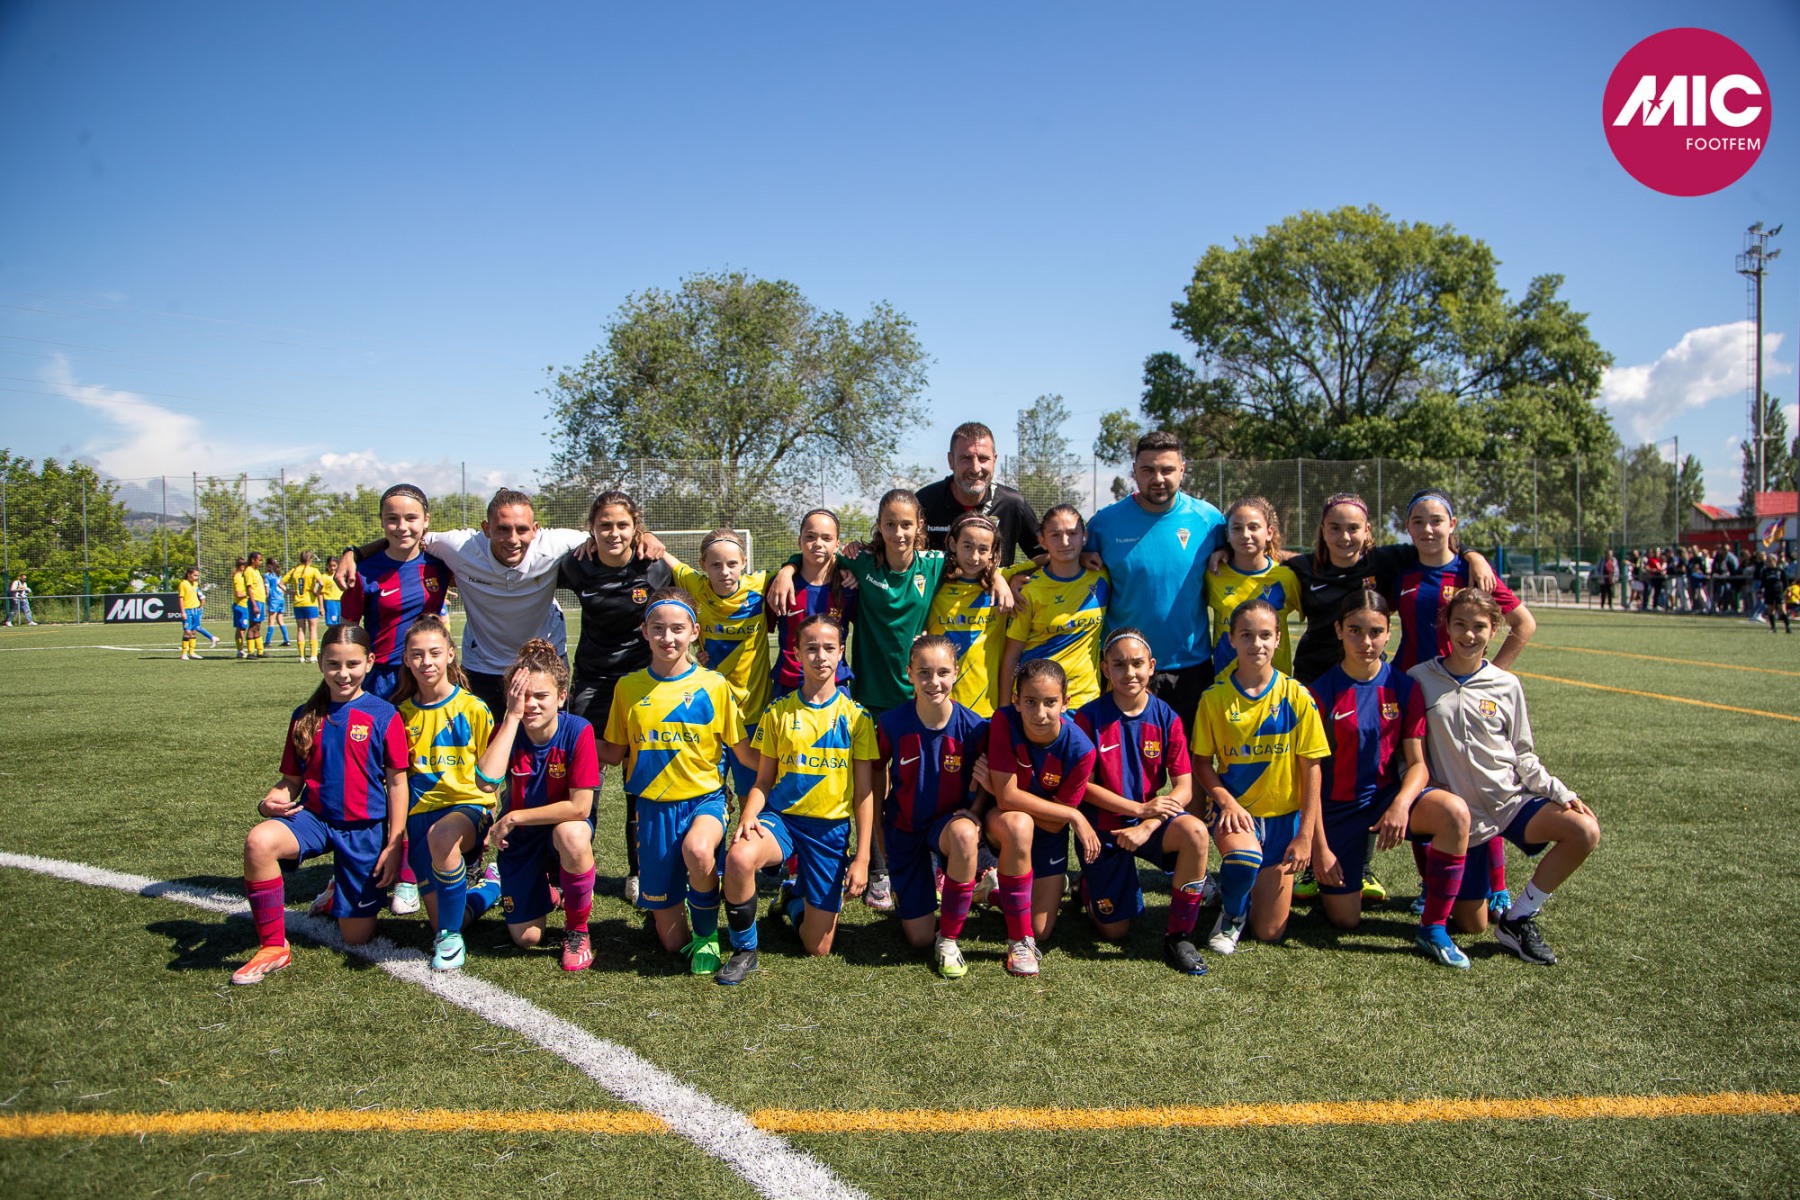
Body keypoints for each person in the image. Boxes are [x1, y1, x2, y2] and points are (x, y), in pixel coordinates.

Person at [768, 488, 1009, 911]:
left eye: (907, 525)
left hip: (918, 700)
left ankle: (952, 863)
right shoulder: (861, 563)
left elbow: (980, 560)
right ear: (879, 527)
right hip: (871, 697)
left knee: (925, 784)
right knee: (873, 787)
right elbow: (817, 555)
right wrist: (786, 569)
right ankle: (879, 868)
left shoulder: (934, 564)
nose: (899, 533)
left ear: (920, 528)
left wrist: (1002, 577)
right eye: (890, 524)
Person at [1411, 589, 1601, 964]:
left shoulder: (1506, 683)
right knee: (1472, 924)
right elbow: (1408, 748)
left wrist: (1560, 792)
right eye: (1460, 624)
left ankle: (1519, 917)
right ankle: (1472, 890)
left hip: (1509, 803)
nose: (1469, 635)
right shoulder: (1420, 678)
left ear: (1494, 629)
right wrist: (1427, 787)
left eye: (1479, 626)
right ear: (1446, 626)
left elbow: (1523, 753)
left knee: (1584, 830)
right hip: (1464, 820)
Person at [231, 625, 409, 985]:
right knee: (258, 842)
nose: (343, 673)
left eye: (352, 664)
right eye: (333, 664)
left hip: (363, 828)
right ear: (320, 663)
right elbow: (290, 782)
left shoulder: (384, 714)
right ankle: (273, 946)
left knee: (356, 937)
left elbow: (397, 783)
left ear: (370, 662)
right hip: (314, 818)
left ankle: (337, 891)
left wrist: (395, 844)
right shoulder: (305, 715)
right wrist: (270, 802)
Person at [339, 487, 617, 717]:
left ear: (535, 529)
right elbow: (408, 536)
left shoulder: (556, 544)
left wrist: (641, 539)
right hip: (483, 666)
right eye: (502, 529)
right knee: (486, 751)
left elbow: (611, 536)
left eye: (522, 529)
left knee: (546, 749)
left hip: (543, 660)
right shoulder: (459, 547)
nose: (513, 539)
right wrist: (354, 553)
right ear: (486, 528)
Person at [1306, 592, 1473, 968]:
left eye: (1375, 632)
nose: (1365, 642)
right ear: (1338, 630)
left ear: (1389, 633)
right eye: (1355, 631)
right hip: (1337, 810)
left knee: (1455, 813)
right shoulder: (1321, 692)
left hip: (1387, 799)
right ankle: (1326, 876)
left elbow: (1418, 764)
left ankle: (1433, 927)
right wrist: (1320, 847)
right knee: (1345, 920)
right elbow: (1309, 778)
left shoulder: (1404, 686)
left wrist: (1401, 804)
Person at [716, 614, 879, 985]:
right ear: (796, 653)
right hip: (783, 821)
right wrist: (748, 815)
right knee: (739, 857)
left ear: (841, 652)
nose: (820, 656)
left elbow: (864, 793)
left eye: (828, 648)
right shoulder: (778, 712)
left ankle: (791, 898)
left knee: (817, 947)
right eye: (811, 648)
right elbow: (763, 781)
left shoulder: (857, 718)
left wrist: (863, 857)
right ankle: (744, 949)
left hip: (829, 832)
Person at [599, 589, 753, 974]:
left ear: (694, 632)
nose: (667, 637)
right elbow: (613, 752)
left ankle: (707, 936)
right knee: (670, 943)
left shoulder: (714, 685)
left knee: (699, 851)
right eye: (658, 628)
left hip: (705, 800)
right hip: (652, 808)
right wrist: (565, 734)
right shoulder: (628, 688)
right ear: (644, 631)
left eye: (677, 629)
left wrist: (784, 760)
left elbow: (743, 751)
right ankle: (686, 914)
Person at [1190, 599, 1329, 955]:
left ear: (1278, 639)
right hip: (1238, 814)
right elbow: (1202, 763)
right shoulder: (1215, 698)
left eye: (1265, 635)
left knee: (1269, 931)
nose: (1257, 644)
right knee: (1244, 858)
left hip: (1284, 819)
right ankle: (1232, 912)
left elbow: (1311, 768)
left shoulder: (1298, 696)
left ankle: (1243, 890)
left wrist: (1306, 835)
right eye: (1247, 635)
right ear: (1231, 639)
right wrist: (1227, 803)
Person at [557, 490, 673, 906]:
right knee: (584, 778)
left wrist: (656, 541)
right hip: (592, 682)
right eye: (604, 525)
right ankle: (575, 867)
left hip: (642, 684)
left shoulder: (654, 566)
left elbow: (689, 597)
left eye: (623, 525)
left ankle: (638, 872)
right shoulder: (576, 565)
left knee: (636, 780)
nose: (613, 533)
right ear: (591, 528)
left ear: (636, 527)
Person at [1073, 628, 1212, 976]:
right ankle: (1088, 887)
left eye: (1137, 664)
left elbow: (1184, 786)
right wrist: (1137, 809)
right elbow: (1083, 787)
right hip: (1104, 828)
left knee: (1195, 832)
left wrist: (1148, 823)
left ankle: (1179, 936)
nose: (1129, 673)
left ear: (1151, 666)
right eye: (1119, 665)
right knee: (1114, 931)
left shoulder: (1167, 717)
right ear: (1105, 669)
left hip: (1148, 822)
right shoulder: (1089, 717)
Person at [1083, 430, 1227, 724]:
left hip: (1189, 667)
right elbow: (1068, 564)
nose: (1158, 478)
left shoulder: (1210, 521)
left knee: (1188, 752)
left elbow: (1248, 555)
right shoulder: (1103, 524)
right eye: (1148, 470)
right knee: (1125, 753)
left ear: (1182, 469)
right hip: (1125, 669)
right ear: (1134, 471)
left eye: (1167, 470)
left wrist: (1225, 550)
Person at [476, 639, 602, 972]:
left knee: (573, 835)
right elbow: (486, 782)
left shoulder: (578, 730)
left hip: (557, 829)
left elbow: (580, 808)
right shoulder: (508, 729)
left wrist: (514, 816)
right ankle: (535, 890)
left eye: (541, 696)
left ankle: (577, 931)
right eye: (523, 695)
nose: (531, 704)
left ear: (561, 697)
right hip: (521, 839)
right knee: (527, 938)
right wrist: (511, 717)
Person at [877, 635, 989, 978]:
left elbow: (988, 779)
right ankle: (956, 890)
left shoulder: (975, 727)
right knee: (919, 938)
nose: (933, 682)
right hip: (905, 829)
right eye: (924, 672)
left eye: (942, 672)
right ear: (909, 673)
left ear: (955, 673)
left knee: (965, 835)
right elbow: (875, 775)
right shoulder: (891, 723)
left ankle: (950, 940)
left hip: (947, 825)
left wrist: (976, 811)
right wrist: (880, 833)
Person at [392, 614, 496, 972]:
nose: (427, 662)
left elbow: (492, 772)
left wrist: (492, 815)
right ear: (406, 659)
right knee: (448, 915)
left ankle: (450, 939)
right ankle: (490, 889)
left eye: (435, 653)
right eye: (417, 654)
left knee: (443, 837)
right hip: (421, 817)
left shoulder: (473, 708)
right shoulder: (400, 715)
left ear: (450, 654)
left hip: (467, 808)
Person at [985, 658, 1100, 977]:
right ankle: (1019, 941)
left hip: (1049, 836)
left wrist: (1062, 815)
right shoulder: (1003, 721)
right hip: (1003, 823)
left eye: (1050, 702)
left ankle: (994, 891)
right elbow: (1005, 799)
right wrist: (1073, 814)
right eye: (1030, 702)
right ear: (1016, 701)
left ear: (1066, 702)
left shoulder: (1081, 750)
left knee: (1043, 929)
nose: (1040, 713)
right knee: (1019, 825)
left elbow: (1052, 824)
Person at [663, 529, 771, 802]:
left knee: (751, 793)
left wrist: (789, 570)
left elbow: (801, 566)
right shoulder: (695, 585)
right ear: (702, 565)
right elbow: (667, 558)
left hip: (751, 711)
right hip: (710, 712)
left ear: (744, 562)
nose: (724, 572)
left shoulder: (761, 585)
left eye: (732, 564)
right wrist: (649, 538)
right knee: (706, 792)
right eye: (715, 564)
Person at [1388, 490, 1534, 675]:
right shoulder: (1400, 572)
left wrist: (1493, 673)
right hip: (1406, 680)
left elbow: (1524, 623)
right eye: (1418, 522)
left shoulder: (1473, 572)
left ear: (1452, 524)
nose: (1427, 529)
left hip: (1454, 684)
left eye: (1436, 521)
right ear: (1407, 526)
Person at [338, 484, 455, 701]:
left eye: (411, 518)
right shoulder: (362, 572)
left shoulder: (441, 564)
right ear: (382, 521)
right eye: (392, 518)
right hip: (382, 678)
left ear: (426, 520)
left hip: (429, 674)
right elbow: (347, 634)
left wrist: (352, 552)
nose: (402, 527)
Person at [1001, 505, 1110, 710]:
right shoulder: (1028, 591)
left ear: (1084, 536)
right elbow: (1011, 656)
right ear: (1042, 540)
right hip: (1041, 704)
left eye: (1072, 533)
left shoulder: (1102, 577)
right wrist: (1005, 710)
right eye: (1055, 535)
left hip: (1087, 702)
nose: (1065, 542)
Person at [916, 421, 1043, 565]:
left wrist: (1020, 575)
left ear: (994, 460)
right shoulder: (925, 501)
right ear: (951, 461)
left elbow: (1047, 556)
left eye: (983, 459)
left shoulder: (1012, 504)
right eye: (966, 458)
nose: (975, 468)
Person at [1204, 496, 1303, 680]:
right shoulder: (1214, 575)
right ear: (1227, 535)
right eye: (1237, 528)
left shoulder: (1286, 577)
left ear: (1269, 533)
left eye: (1254, 527)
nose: (1245, 534)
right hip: (1225, 684)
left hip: (1274, 686)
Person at [926, 512, 1009, 717]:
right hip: (939, 703)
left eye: (983, 549)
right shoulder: (934, 581)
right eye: (967, 546)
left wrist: (999, 577)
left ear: (993, 552)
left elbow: (1046, 562)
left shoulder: (1005, 581)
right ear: (953, 544)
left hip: (986, 708)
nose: (974, 557)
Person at [772, 509, 856, 702]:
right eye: (810, 537)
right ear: (799, 541)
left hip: (835, 683)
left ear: (837, 545)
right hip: (789, 684)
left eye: (826, 538)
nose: (818, 543)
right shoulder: (780, 585)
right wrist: (787, 570)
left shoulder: (848, 587)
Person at [284, 551, 326, 663]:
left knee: (300, 629)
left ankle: (302, 656)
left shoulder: (294, 570)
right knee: (313, 629)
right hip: (310, 603)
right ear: (310, 559)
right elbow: (321, 583)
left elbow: (281, 584)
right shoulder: (313, 570)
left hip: (298, 603)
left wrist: (290, 592)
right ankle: (313, 656)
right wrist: (316, 592)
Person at [178, 566, 220, 659]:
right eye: (195, 575)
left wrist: (200, 606)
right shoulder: (183, 584)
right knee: (187, 631)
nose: (196, 577)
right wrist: (183, 612)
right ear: (189, 575)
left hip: (195, 610)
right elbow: (181, 598)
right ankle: (184, 653)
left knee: (193, 631)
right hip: (187, 610)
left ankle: (192, 652)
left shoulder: (195, 584)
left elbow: (200, 596)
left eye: (197, 576)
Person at [1756, 551, 1791, 634]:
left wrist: (1788, 591)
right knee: (1770, 610)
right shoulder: (1765, 571)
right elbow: (1763, 582)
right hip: (1769, 592)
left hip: (1778, 592)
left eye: (1769, 560)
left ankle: (1787, 627)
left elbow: (1785, 582)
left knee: (1782, 610)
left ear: (1774, 561)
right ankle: (1773, 628)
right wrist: (1760, 591)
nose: (1767, 562)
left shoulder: (1780, 570)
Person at [243, 551, 270, 657]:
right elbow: (249, 588)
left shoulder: (256, 571)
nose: (261, 562)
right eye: (259, 560)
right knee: (252, 626)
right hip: (255, 601)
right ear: (253, 560)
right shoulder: (249, 571)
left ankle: (260, 651)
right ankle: (250, 652)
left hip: (261, 601)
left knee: (258, 626)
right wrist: (254, 605)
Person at [263, 559, 291, 649]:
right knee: (280, 620)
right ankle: (287, 640)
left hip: (274, 599)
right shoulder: (278, 575)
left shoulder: (267, 576)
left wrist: (267, 599)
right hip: (281, 599)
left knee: (271, 620)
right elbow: (282, 588)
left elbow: (267, 589)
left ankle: (267, 642)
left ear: (268, 565)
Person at [320, 557, 345, 628]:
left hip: (341, 601)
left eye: (334, 566)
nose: (332, 568)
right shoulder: (324, 577)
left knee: (342, 623)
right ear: (327, 566)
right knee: (333, 625)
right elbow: (320, 593)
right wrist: (321, 607)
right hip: (330, 602)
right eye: (330, 566)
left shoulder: (341, 576)